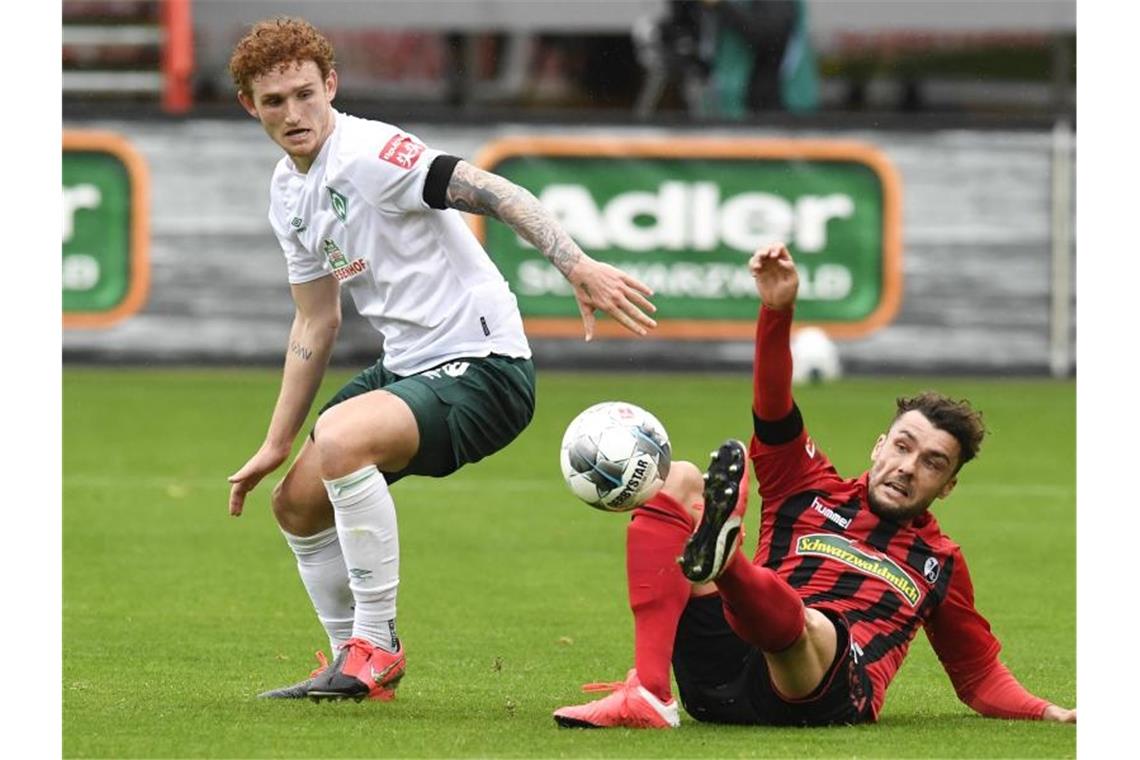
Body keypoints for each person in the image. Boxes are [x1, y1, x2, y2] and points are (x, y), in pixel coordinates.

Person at [224, 17, 657, 702]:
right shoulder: (288, 193)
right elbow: (316, 317)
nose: (294, 113)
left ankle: (376, 647)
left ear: (330, 85)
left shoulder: (368, 153)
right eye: (274, 102)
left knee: (340, 440)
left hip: (485, 368)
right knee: (296, 506)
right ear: (250, 105)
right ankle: (349, 662)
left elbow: (494, 190)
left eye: (306, 94)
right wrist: (276, 442)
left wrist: (574, 265)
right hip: (412, 368)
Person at [553, 243, 1076, 728]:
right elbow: (774, 407)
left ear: (947, 487)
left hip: (821, 687)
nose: (908, 466)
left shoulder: (940, 561)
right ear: (878, 446)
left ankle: (726, 561)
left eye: (933, 462)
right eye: (902, 446)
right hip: (721, 668)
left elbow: (979, 677)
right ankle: (648, 692)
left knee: (813, 626)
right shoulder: (808, 485)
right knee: (683, 478)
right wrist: (777, 312)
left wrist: (1050, 712)